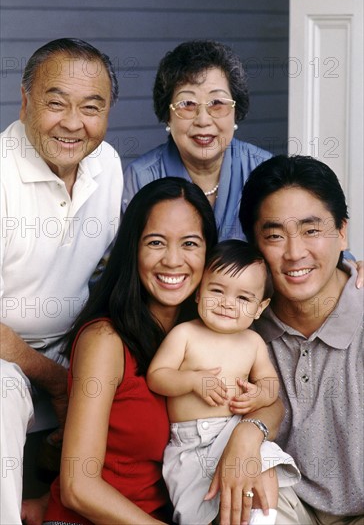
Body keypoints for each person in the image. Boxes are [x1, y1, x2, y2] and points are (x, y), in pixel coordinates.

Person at [42, 178, 286, 525]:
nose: (173, 260)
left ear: (208, 254)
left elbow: (271, 401)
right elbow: (78, 486)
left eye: (190, 243)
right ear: (133, 249)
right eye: (156, 242)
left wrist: (247, 439)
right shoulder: (105, 340)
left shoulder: (209, 325)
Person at [0, 38, 123, 525]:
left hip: (69, 346)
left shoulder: (106, 165)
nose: (74, 123)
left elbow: (113, 269)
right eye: (56, 103)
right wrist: (57, 381)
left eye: (92, 108)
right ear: (26, 100)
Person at [239, 155, 364, 524]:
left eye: (311, 231)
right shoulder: (240, 322)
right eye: (274, 235)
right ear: (253, 244)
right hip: (288, 500)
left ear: (342, 232)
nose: (294, 253)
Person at [147, 240, 301, 525]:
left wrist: (259, 396)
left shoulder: (253, 342)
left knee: (260, 479)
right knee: (206, 507)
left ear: (260, 307)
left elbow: (269, 382)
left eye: (243, 298)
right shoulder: (185, 334)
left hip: (235, 431)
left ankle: (260, 519)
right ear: (198, 292)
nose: (227, 303)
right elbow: (157, 376)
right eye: (216, 290)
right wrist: (191, 381)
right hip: (192, 444)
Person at [121, 39, 272, 241]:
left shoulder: (263, 169)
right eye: (188, 104)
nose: (203, 120)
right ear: (167, 114)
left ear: (236, 111)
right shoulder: (141, 177)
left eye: (217, 103)